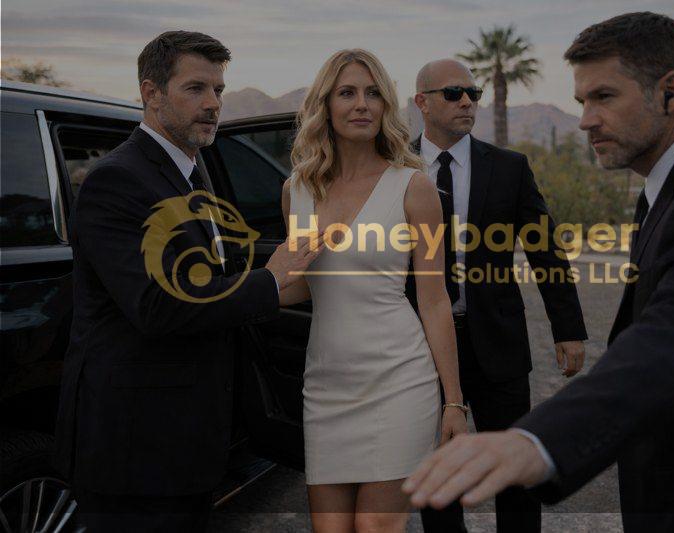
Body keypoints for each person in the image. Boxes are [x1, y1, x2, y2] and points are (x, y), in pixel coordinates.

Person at [403, 12, 674, 533]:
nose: (586, 119)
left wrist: (536, 439)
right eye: (581, 103)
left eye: (603, 97)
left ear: (671, 93)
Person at [55, 31, 321, 532]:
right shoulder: (118, 180)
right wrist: (270, 281)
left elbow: (205, 279)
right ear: (151, 93)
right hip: (133, 450)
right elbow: (159, 305)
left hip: (186, 445)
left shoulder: (190, 175)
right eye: (196, 88)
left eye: (218, 90)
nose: (213, 104)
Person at [278, 48, 467, 532]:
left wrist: (453, 401)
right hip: (326, 386)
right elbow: (302, 288)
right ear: (326, 104)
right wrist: (239, 289)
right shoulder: (296, 190)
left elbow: (434, 298)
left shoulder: (413, 186)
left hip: (399, 382)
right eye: (347, 93)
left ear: (386, 106)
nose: (361, 104)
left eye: (373, 93)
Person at [409, 58, 588, 533]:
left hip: (498, 341)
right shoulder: (394, 169)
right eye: (453, 93)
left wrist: (567, 329)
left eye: (473, 92)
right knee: (439, 470)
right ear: (421, 103)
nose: (467, 101)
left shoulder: (509, 168)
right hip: (420, 345)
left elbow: (545, 251)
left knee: (512, 469)